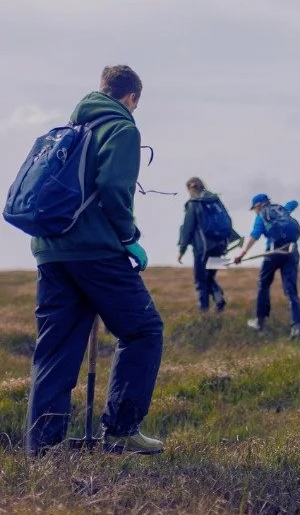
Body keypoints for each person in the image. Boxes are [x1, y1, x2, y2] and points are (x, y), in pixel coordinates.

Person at [25, 64, 165, 456]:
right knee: (143, 330)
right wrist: (129, 237)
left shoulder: (67, 131)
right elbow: (113, 188)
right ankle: (121, 430)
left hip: (50, 251)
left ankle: (43, 448)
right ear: (131, 97)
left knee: (55, 349)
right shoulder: (122, 128)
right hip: (97, 251)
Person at [234, 194, 300, 338]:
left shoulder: (261, 215)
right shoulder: (282, 210)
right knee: (291, 290)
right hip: (291, 251)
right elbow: (293, 202)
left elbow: (254, 235)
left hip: (273, 252)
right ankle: (297, 326)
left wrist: (241, 254)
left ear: (259, 205)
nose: (255, 211)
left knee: (263, 284)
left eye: (254, 208)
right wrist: (289, 205)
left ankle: (259, 321)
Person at [177, 177, 239, 312]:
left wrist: (181, 250)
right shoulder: (216, 200)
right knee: (210, 276)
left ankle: (203, 312)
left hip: (203, 248)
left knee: (200, 279)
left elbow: (188, 228)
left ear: (191, 188)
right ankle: (219, 298)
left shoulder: (193, 203)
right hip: (221, 247)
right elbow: (228, 220)